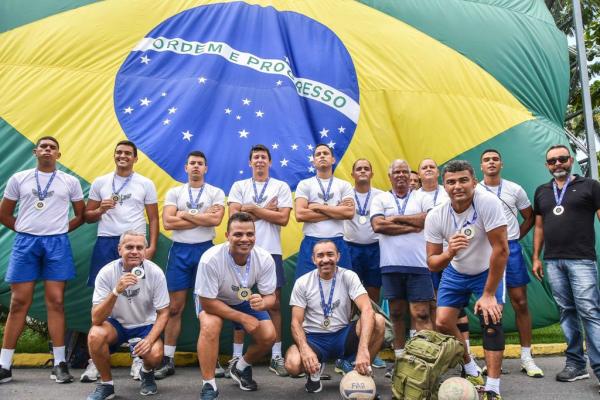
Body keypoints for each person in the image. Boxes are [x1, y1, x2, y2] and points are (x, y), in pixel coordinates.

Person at [0, 136, 85, 384]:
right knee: (19, 302)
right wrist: (26, 229)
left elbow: (81, 215)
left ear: (58, 154)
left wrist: (58, 230)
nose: (48, 150)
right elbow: (4, 213)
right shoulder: (19, 178)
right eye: (44, 147)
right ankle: (4, 365)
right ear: (35, 152)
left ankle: (59, 363)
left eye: (53, 147)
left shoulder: (70, 181)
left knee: (56, 301)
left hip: (56, 244)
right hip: (26, 242)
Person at [425, 160, 508, 400]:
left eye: (463, 180)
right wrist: (449, 252)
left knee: (491, 321)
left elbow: (501, 250)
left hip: (486, 269)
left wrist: (489, 293)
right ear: (444, 186)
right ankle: (470, 367)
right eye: (451, 182)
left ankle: (493, 387)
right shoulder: (436, 215)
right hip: (456, 271)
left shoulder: (488, 203)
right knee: (442, 322)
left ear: (474, 181)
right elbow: (432, 262)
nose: (457, 186)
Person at [83, 140, 159, 382]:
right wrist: (100, 210)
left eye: (128, 153)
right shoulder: (100, 182)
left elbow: (154, 219)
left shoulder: (145, 183)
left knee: (140, 294)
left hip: (135, 244)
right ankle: (94, 360)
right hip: (107, 241)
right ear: (114, 156)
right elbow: (88, 216)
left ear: (135, 158)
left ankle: (139, 358)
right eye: (119, 152)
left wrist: (152, 245)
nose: (123, 156)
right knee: (102, 296)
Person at [532, 145, 600, 389]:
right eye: (552, 161)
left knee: (590, 312)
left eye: (562, 159)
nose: (557, 164)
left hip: (582, 259)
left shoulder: (590, 186)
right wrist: (536, 258)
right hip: (552, 261)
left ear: (570, 160)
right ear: (547, 165)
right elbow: (539, 227)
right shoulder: (541, 191)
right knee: (566, 312)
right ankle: (576, 365)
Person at [156, 150, 225, 379]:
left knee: (207, 308)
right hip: (180, 251)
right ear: (186, 168)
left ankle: (212, 360)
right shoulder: (175, 192)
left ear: (206, 168)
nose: (196, 166)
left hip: (206, 250)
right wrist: (200, 216)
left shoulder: (216, 192)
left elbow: (215, 220)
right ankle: (167, 359)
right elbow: (167, 222)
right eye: (192, 163)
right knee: (175, 307)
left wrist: (183, 215)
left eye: (200, 164)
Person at [284, 240, 385, 396]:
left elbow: (366, 309)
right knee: (292, 364)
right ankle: (314, 370)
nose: (326, 259)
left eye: (330, 254)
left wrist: (363, 349)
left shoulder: (349, 276)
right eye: (320, 255)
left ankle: (358, 371)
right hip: (314, 340)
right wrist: (305, 350)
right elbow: (295, 322)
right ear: (313, 259)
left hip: (342, 336)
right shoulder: (302, 282)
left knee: (378, 321)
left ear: (338, 256)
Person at [194, 212, 277, 399]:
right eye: (238, 234)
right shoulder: (211, 258)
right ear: (227, 236)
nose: (245, 239)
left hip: (241, 300)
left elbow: (271, 297)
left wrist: (263, 302)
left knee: (268, 335)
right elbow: (207, 302)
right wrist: (242, 317)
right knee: (210, 326)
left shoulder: (264, 258)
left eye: (250, 234)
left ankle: (241, 367)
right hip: (214, 300)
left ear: (255, 236)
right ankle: (209, 384)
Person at [227, 144, 292, 377]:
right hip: (242, 252)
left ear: (270, 162)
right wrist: (265, 210)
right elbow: (234, 219)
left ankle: (276, 356)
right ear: (250, 162)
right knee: (239, 302)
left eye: (264, 157)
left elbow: (283, 218)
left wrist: (251, 209)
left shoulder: (281, 186)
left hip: (271, 252)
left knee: (273, 303)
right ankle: (236, 357)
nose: (260, 161)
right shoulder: (239, 186)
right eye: (256, 157)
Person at [478, 149, 542, 377]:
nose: (491, 162)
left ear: (501, 164)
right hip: (485, 249)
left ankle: (527, 357)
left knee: (520, 301)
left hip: (511, 248)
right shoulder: (475, 189)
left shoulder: (514, 188)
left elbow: (530, 216)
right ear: (481, 166)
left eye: (495, 159)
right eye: (487, 160)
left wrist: (515, 236)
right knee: (491, 305)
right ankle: (494, 359)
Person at [85, 231, 169, 400]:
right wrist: (116, 290)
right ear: (119, 249)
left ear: (145, 251)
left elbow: (164, 312)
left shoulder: (155, 272)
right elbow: (96, 318)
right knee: (95, 335)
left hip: (145, 325)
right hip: (116, 325)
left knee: (155, 354)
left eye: (139, 247)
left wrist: (149, 339)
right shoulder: (107, 272)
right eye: (129, 247)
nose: (135, 251)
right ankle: (106, 385)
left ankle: (146, 373)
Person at [371, 159, 433, 368]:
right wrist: (411, 225)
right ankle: (399, 360)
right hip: (391, 265)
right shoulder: (380, 198)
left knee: (421, 314)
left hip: (419, 265)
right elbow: (378, 225)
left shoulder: (422, 196)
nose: (400, 175)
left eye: (404, 172)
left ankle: (423, 360)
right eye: (396, 172)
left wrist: (396, 218)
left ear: (410, 176)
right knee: (396, 313)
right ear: (390, 177)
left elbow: (428, 220)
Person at [340, 158, 385, 372]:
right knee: (351, 299)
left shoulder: (380, 196)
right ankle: (348, 348)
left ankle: (371, 347)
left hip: (375, 248)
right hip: (351, 248)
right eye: (359, 168)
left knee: (373, 298)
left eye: (367, 168)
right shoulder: (345, 193)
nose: (363, 171)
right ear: (352, 174)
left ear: (372, 173)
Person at [294, 144, 354, 279]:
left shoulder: (344, 185)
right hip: (311, 241)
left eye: (325, 153)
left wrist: (318, 207)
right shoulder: (304, 184)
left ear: (333, 159)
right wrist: (337, 210)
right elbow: (300, 214)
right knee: (305, 286)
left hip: (337, 241)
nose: (322, 156)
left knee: (344, 286)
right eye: (318, 154)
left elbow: (349, 213)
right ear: (313, 161)